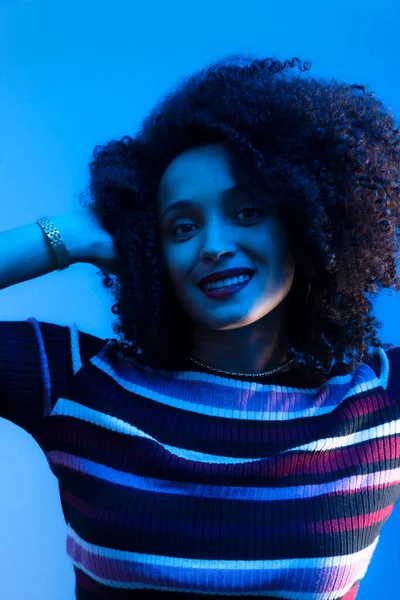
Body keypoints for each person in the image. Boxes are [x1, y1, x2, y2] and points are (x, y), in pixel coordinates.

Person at [1, 54, 400, 599]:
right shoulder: (76, 380)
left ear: (307, 221)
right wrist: (71, 237)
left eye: (248, 212)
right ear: (150, 248)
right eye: (182, 226)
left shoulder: (377, 400)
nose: (213, 246)